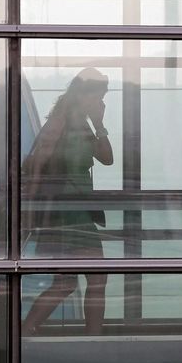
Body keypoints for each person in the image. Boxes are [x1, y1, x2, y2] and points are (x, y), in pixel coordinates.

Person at [22, 67, 113, 336]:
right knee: (94, 278)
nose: (100, 103)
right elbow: (37, 164)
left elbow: (107, 158)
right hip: (66, 211)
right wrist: (31, 211)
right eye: (97, 97)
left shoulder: (82, 124)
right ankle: (92, 339)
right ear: (82, 95)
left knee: (67, 283)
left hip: (78, 209)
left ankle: (26, 329)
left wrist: (100, 125)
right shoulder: (59, 122)